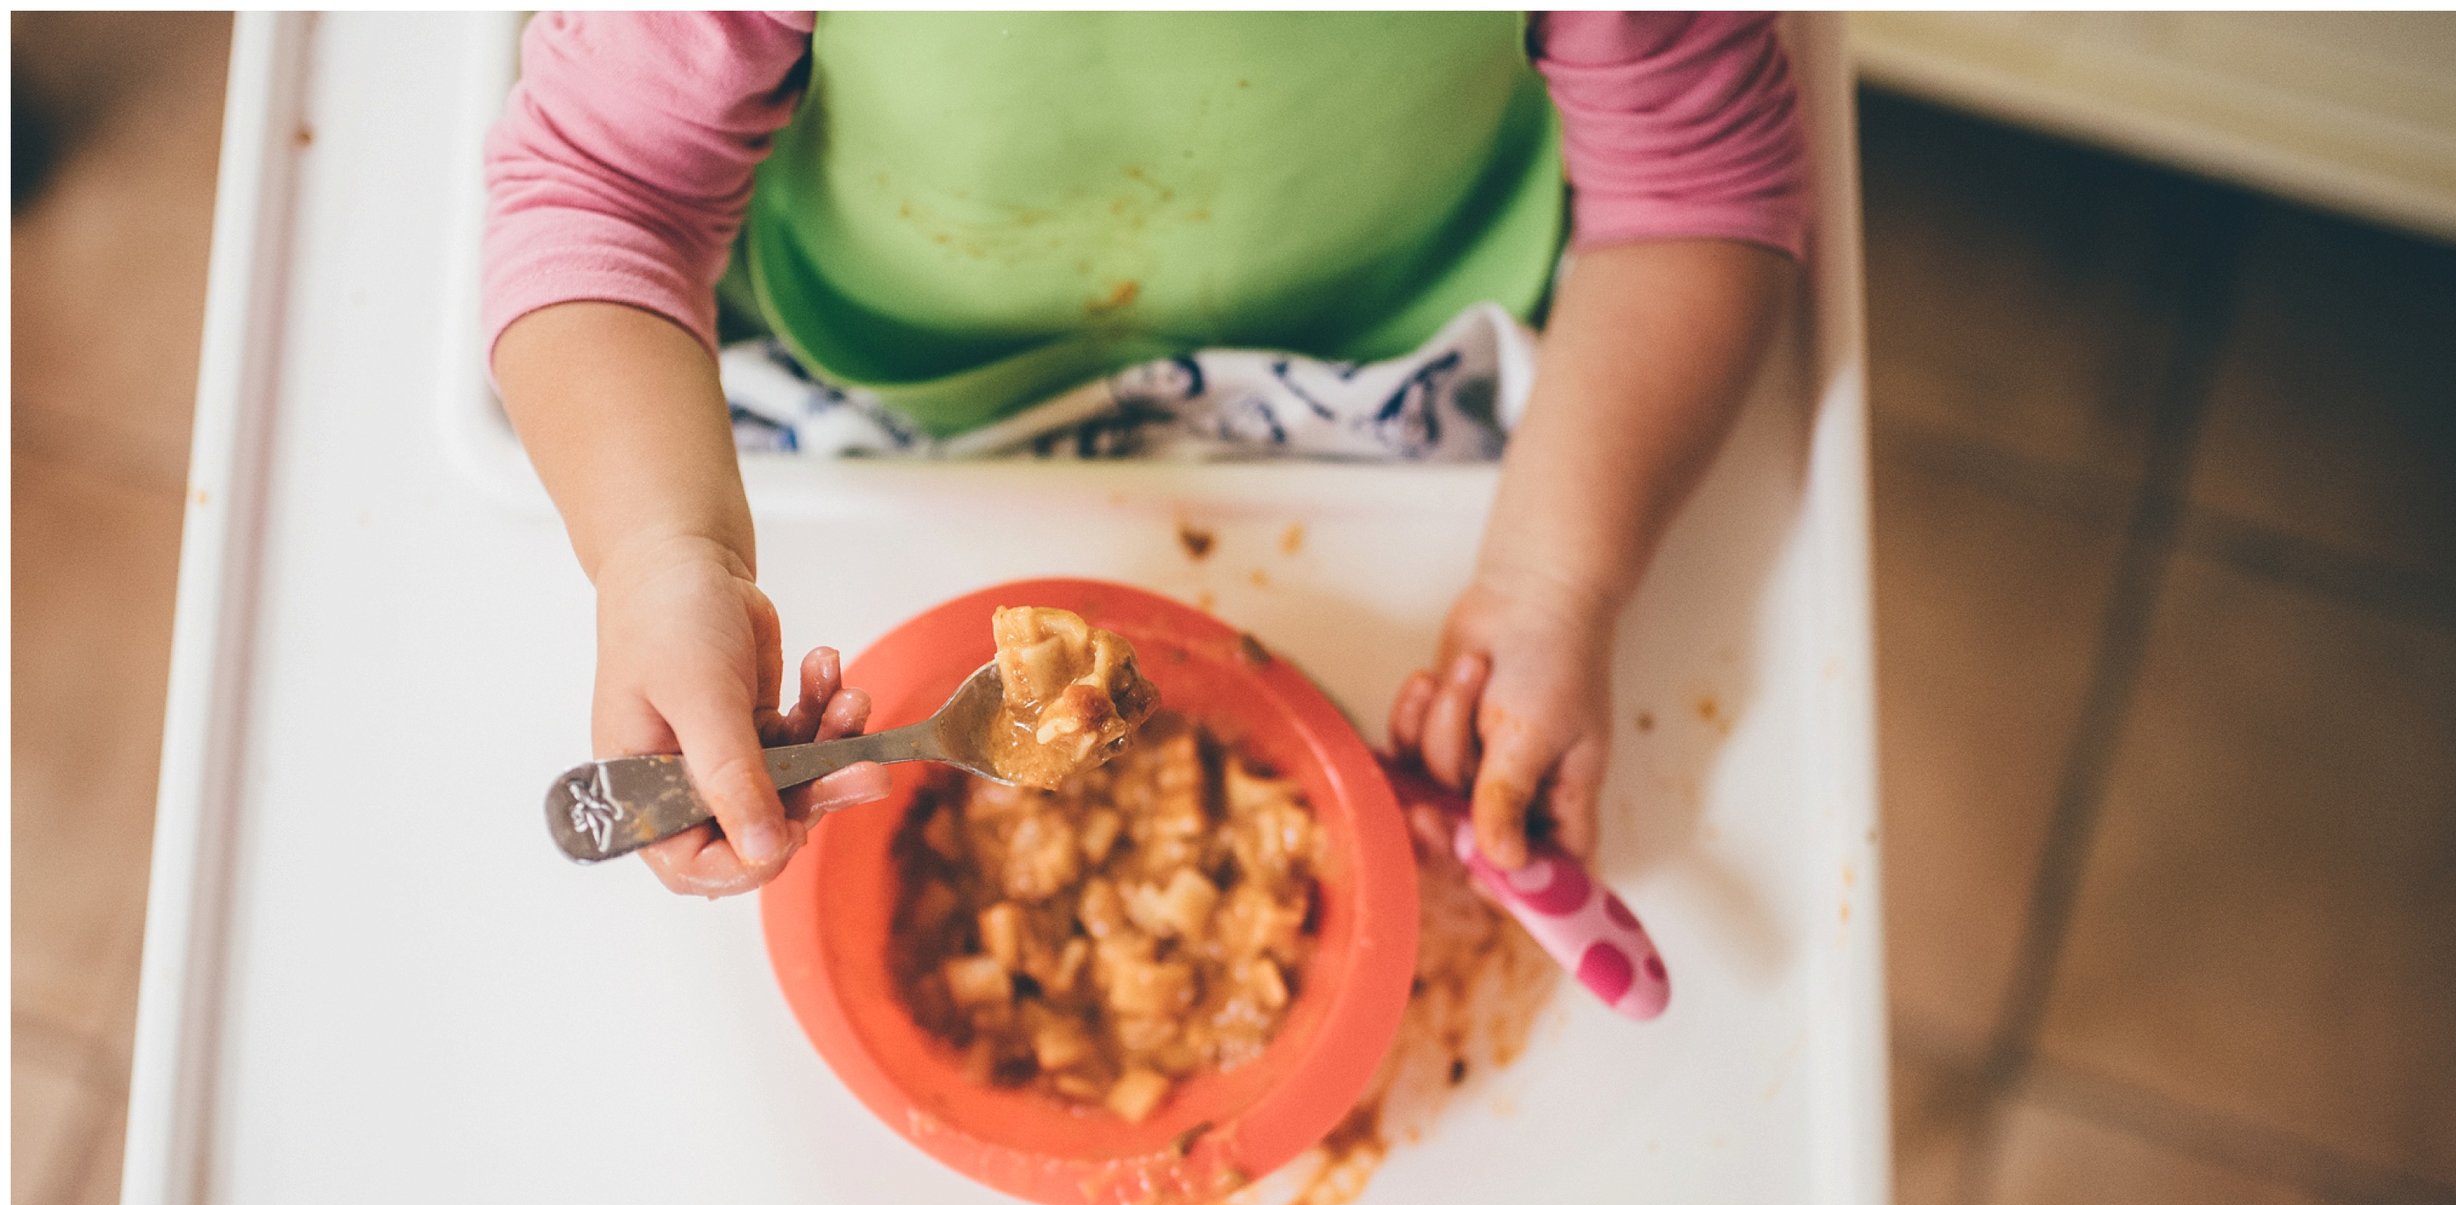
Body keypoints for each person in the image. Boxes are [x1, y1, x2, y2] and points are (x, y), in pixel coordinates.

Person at [486, 11, 1808, 897]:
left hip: (1399, 389)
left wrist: (1555, 580)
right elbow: (602, 193)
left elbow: (1691, 196)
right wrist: (664, 549)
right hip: (880, 391)